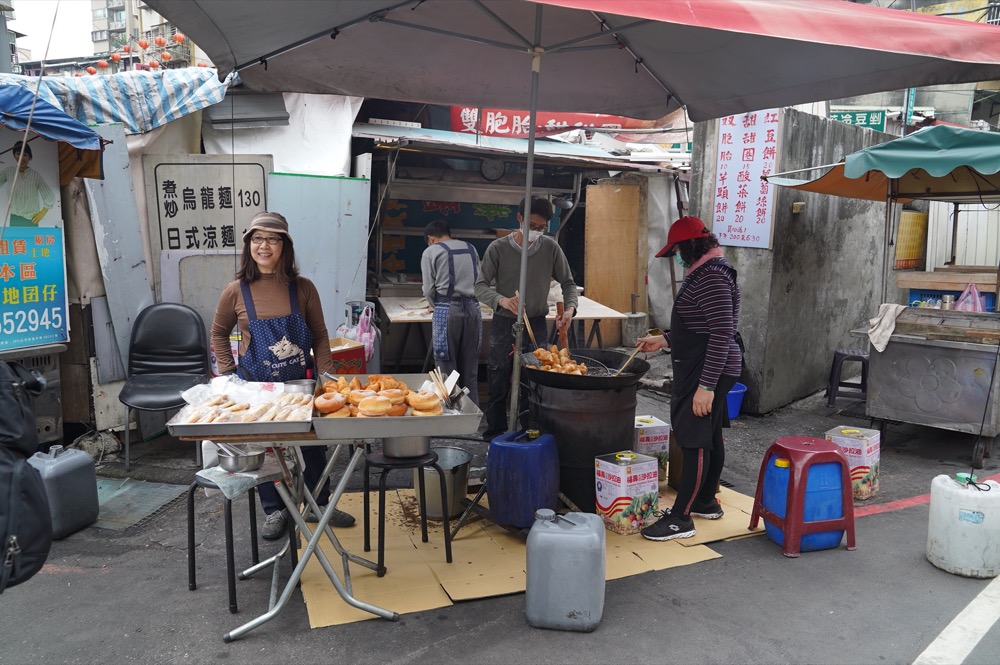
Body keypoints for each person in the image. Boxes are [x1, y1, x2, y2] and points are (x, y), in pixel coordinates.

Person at [211, 211, 355, 540]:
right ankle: (274, 511)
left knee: (311, 449)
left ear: (284, 246)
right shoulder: (235, 291)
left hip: (300, 385)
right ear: (249, 245)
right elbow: (218, 334)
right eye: (258, 239)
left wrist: (327, 378)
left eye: (273, 239)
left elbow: (320, 336)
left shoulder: (303, 288)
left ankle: (320, 504)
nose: (265, 245)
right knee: (266, 451)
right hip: (257, 390)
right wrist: (228, 374)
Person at [634, 215, 742, 542]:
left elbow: (722, 333)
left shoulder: (711, 277)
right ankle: (706, 501)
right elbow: (699, 326)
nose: (677, 257)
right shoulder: (706, 272)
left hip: (708, 369)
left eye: (679, 249)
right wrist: (665, 339)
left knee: (694, 438)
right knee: (708, 435)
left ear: (692, 246)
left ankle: (681, 518)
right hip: (705, 363)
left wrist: (706, 387)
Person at [474, 195, 578, 440]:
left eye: (542, 228)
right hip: (504, 322)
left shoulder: (551, 248)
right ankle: (496, 432)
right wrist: (501, 300)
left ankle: (529, 430)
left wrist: (571, 309)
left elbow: (569, 283)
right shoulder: (498, 248)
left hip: (537, 324)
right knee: (499, 376)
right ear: (519, 218)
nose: (536, 232)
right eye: (532, 226)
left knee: (534, 379)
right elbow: (479, 286)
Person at [421, 220, 482, 404]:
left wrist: (436, 304)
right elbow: (479, 281)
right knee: (470, 368)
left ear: (431, 238)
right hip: (473, 309)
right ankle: (473, 418)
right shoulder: (471, 248)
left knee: (447, 369)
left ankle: (451, 416)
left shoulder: (431, 252)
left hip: (447, 310)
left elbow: (428, 289)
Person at [0, 141, 56, 227]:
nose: (21, 157)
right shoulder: (9, 171)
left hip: (32, 220)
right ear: (14, 155)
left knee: (30, 240)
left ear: (30, 157)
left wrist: (43, 212)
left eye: (25, 155)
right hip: (15, 218)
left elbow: (49, 195)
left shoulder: (35, 175)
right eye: (18, 153)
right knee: (16, 241)